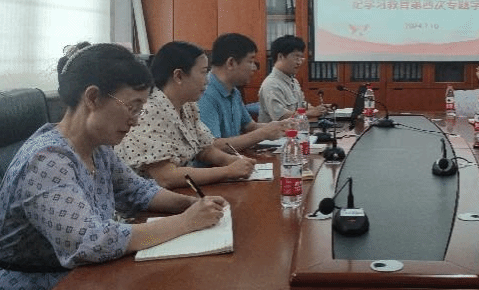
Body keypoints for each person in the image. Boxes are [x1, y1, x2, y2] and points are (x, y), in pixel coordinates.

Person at [0, 43, 228, 290]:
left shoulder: (98, 147)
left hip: (74, 285)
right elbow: (90, 242)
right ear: (92, 98)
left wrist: (190, 204)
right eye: (132, 107)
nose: (136, 120)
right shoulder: (47, 159)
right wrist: (185, 223)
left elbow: (138, 190)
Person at [116, 41, 256, 189]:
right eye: (203, 72)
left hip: (181, 191)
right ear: (178, 76)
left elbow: (204, 149)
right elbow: (166, 177)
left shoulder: (187, 105)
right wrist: (227, 171)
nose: (207, 80)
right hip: (149, 199)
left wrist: (231, 161)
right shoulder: (150, 111)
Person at [198, 33, 286, 153]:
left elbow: (250, 126)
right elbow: (212, 146)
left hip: (236, 159)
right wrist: (263, 133)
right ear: (231, 63)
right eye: (250, 61)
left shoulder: (234, 91)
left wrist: (281, 126)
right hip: (219, 164)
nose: (254, 68)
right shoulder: (204, 94)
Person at [258, 35, 329, 122]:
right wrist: (310, 113)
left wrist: (319, 109)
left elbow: (302, 105)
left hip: (296, 128)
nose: (299, 62)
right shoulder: (271, 84)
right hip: (280, 130)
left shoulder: (294, 81)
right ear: (280, 56)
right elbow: (281, 117)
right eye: (296, 57)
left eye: (301, 58)